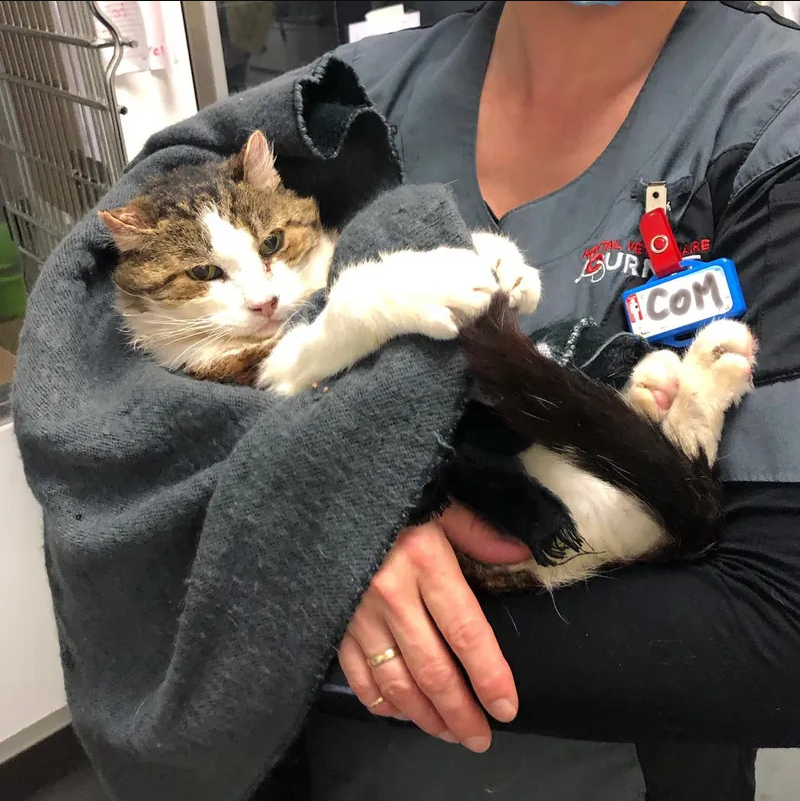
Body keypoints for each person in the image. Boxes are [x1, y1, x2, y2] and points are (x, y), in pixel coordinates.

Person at [14, 2, 800, 800]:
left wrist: (293, 594)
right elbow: (82, 384)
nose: (257, 293)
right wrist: (314, 532)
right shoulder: (346, 95)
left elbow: (779, 629)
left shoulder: (772, 111)